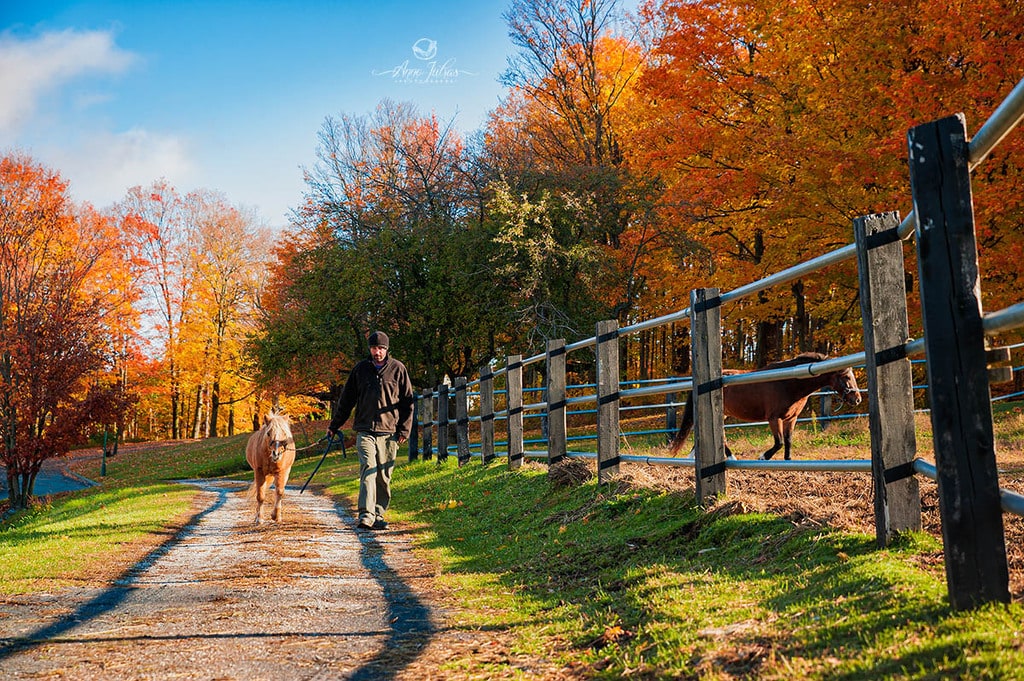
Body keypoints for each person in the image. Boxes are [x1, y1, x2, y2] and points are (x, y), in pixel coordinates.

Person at [327, 331, 414, 531]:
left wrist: (404, 430)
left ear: (387, 349)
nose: (378, 352)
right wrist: (335, 425)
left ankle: (378, 513)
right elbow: (346, 400)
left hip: (389, 431)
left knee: (383, 475)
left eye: (381, 348)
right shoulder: (360, 370)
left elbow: (408, 403)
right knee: (368, 467)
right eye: (374, 348)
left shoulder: (398, 369)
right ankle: (365, 515)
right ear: (370, 349)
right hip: (365, 430)